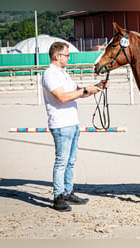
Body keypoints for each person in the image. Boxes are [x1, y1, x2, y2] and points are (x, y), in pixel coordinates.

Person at [42, 41, 108, 212]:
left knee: (71, 161)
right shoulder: (50, 74)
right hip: (61, 124)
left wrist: (96, 87)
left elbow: (76, 91)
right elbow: (62, 97)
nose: (69, 58)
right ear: (57, 56)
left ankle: (68, 191)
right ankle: (58, 197)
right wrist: (85, 90)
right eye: (66, 55)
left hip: (72, 122)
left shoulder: (63, 73)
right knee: (62, 162)